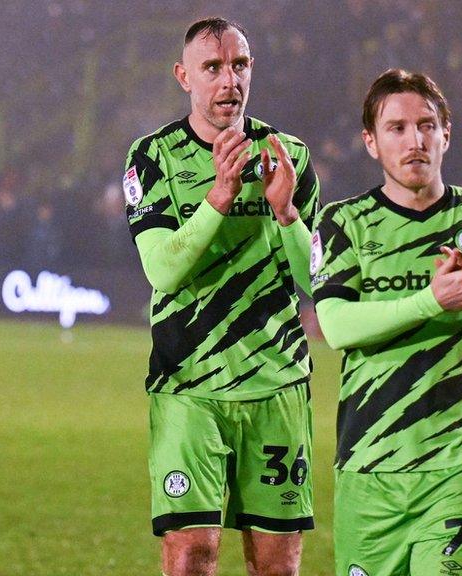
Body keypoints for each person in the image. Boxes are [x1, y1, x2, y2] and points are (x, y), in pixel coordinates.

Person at [310, 69, 462, 576]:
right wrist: (434, 300)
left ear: (446, 133)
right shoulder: (342, 222)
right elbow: (336, 326)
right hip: (369, 465)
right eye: (396, 128)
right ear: (370, 143)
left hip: (459, 462)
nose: (415, 140)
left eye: (426, 125)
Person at [123, 17, 319, 576]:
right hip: (189, 384)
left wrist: (286, 212)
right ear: (185, 76)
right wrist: (220, 197)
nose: (228, 80)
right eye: (213, 67)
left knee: (277, 564)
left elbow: (317, 283)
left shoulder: (290, 157)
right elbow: (162, 269)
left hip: (277, 382)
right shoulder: (151, 156)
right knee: (190, 553)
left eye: (240, 65)